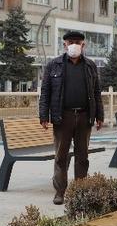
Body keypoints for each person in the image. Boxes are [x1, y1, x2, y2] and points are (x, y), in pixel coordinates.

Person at [39, 31, 105, 205]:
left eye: (78, 42)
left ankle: (80, 191)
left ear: (83, 45)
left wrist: (100, 115)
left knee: (82, 157)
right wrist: (43, 115)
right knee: (61, 156)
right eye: (71, 42)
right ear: (64, 44)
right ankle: (60, 192)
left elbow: (97, 93)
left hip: (84, 117)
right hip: (63, 117)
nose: (74, 45)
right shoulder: (54, 65)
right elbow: (45, 91)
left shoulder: (90, 66)